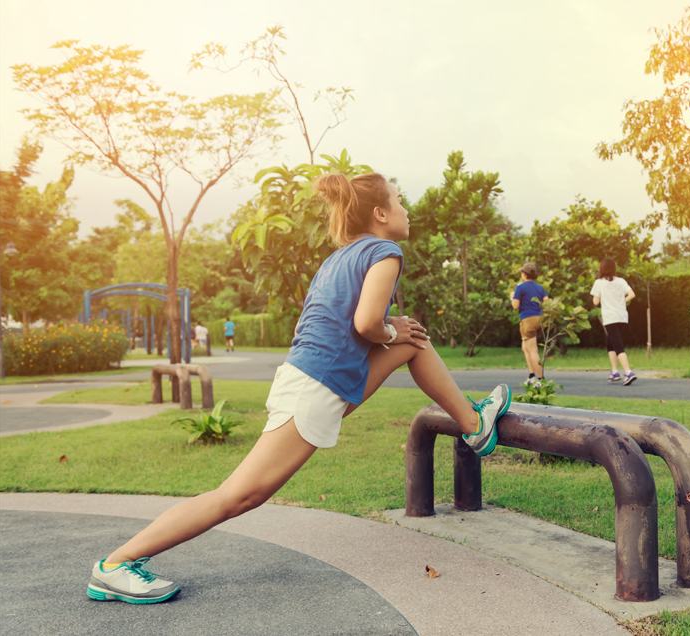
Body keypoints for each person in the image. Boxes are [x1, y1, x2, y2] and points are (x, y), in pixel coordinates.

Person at [86, 172, 512, 604]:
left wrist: (395, 335)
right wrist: (389, 330)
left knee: (414, 343)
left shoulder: (338, 259)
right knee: (238, 496)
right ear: (380, 214)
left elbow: (321, 325)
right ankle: (116, 564)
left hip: (317, 380)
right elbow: (366, 324)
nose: (407, 210)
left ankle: (474, 424)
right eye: (400, 202)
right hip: (315, 386)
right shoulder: (386, 251)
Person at [590, 258, 637, 386]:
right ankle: (615, 372)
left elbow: (595, 302)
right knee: (610, 342)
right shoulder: (621, 281)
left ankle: (628, 372)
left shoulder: (599, 282)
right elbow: (632, 294)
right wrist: (622, 301)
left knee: (617, 344)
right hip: (622, 316)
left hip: (610, 317)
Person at [510, 262, 547, 387]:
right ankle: (531, 375)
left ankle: (541, 380)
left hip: (528, 320)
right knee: (525, 347)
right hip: (539, 319)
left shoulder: (520, 287)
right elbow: (547, 302)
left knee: (533, 351)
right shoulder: (539, 287)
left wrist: (512, 297)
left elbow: (515, 305)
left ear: (524, 274)